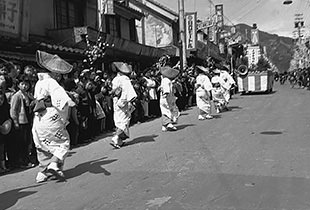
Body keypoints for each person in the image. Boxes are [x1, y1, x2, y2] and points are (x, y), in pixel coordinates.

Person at [32, 50, 74, 183]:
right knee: (63, 142)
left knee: (42, 145)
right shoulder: (52, 83)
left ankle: (42, 173)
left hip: (39, 118)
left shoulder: (39, 83)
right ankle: (54, 164)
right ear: (55, 72)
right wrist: (69, 101)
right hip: (51, 117)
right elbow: (60, 98)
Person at [10, 75, 36, 168]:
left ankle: (26, 159)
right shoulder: (16, 96)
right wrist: (15, 122)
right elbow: (13, 110)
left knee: (27, 142)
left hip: (27, 121)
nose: (25, 86)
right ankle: (22, 162)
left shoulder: (28, 94)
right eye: (22, 84)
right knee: (21, 142)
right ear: (18, 85)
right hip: (21, 122)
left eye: (26, 84)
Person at [110, 62, 137, 149]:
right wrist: (130, 101)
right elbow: (127, 91)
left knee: (118, 120)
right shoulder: (125, 78)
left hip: (116, 101)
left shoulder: (115, 79)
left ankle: (119, 141)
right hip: (123, 102)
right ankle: (116, 137)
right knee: (124, 120)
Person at [159, 66, 180, 132]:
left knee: (167, 110)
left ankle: (164, 125)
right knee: (167, 110)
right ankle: (168, 123)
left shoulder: (167, 80)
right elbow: (166, 89)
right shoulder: (166, 80)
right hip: (166, 98)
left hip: (168, 98)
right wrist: (166, 94)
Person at [0, 90, 11, 173]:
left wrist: (8, 122)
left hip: (3, 131)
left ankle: (3, 166)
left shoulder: (4, 107)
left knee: (2, 149)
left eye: (2, 98)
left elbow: (8, 117)